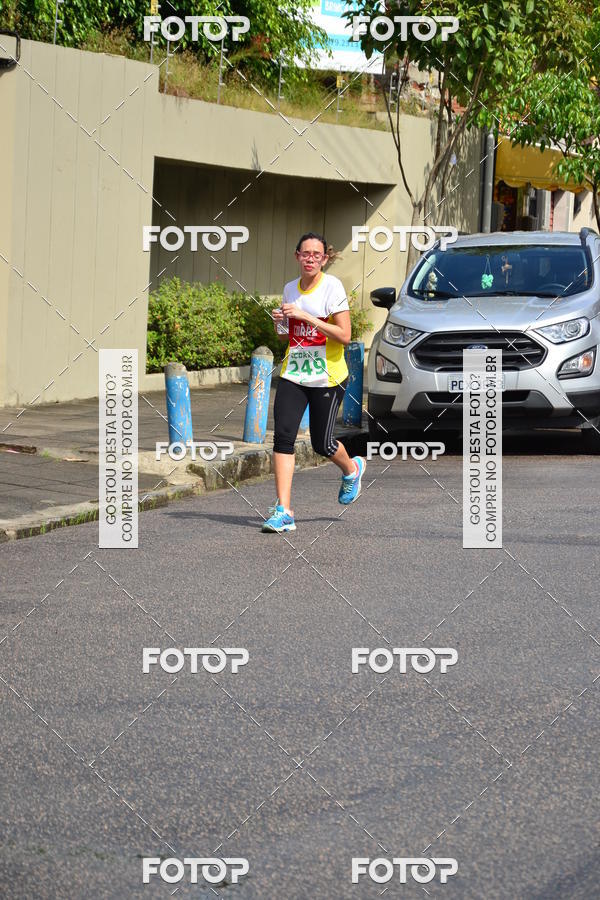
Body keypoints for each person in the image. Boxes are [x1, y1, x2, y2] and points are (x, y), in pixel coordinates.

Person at [262, 232, 365, 533]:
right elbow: (285, 336)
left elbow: (345, 335)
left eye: (316, 255)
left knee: (322, 443)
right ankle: (284, 510)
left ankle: (351, 468)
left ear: (324, 259)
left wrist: (307, 316)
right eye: (304, 253)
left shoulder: (332, 288)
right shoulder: (289, 289)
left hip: (328, 376)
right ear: (297, 256)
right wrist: (279, 320)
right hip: (294, 372)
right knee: (283, 436)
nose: (310, 258)